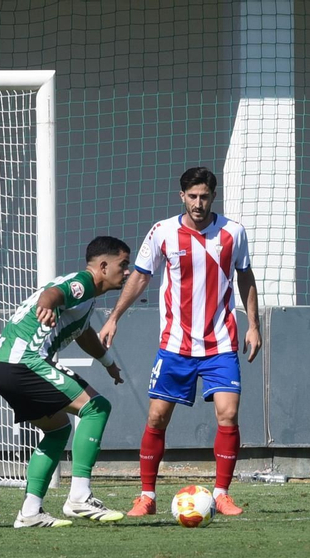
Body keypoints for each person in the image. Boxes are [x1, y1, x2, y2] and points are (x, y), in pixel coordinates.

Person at [100, 166, 261, 518]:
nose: (198, 203)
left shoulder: (233, 233)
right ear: (182, 197)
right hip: (175, 345)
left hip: (220, 341)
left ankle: (221, 494)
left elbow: (245, 278)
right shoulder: (162, 233)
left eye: (204, 197)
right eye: (192, 197)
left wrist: (254, 325)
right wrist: (113, 318)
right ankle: (146, 496)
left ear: (213, 197)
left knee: (228, 414)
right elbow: (140, 278)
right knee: (157, 418)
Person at [0, 236, 133, 528]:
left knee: (56, 431)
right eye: (123, 265)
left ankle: (30, 512)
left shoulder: (85, 299)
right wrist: (45, 304)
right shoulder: (83, 283)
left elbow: (84, 334)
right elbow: (55, 293)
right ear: (103, 266)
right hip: (23, 363)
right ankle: (79, 496)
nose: (127, 272)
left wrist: (108, 364)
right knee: (97, 407)